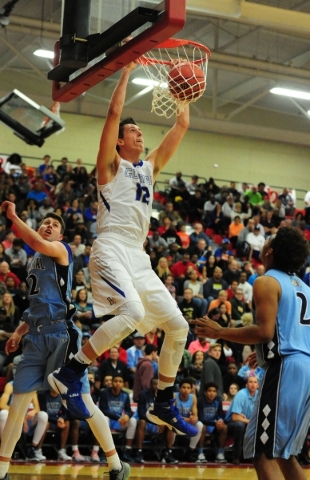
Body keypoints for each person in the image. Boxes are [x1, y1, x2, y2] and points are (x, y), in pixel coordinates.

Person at [48, 61, 197, 439]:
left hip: (138, 255)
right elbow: (114, 112)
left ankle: (162, 403)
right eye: (133, 131)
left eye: (140, 131)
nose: (139, 135)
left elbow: (182, 127)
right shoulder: (110, 167)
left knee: (178, 327)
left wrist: (185, 94)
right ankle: (70, 373)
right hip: (111, 245)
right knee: (131, 312)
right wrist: (127, 70)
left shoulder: (149, 168)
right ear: (119, 140)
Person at [0, 203, 129, 480]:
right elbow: (36, 303)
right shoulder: (33, 261)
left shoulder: (61, 250)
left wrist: (13, 216)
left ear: (60, 235)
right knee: (18, 404)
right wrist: (19, 332)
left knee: (82, 401)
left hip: (61, 335)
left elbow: (33, 240)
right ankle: (1, 471)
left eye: (54, 225)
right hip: (35, 337)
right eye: (45, 222)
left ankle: (116, 464)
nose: (49, 225)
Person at [193, 226, 310, 480]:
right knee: (284, 454)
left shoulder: (266, 281)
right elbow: (291, 334)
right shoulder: (305, 288)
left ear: (269, 250)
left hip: (285, 369)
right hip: (303, 367)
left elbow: (265, 332)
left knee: (261, 452)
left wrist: (220, 331)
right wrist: (266, 352)